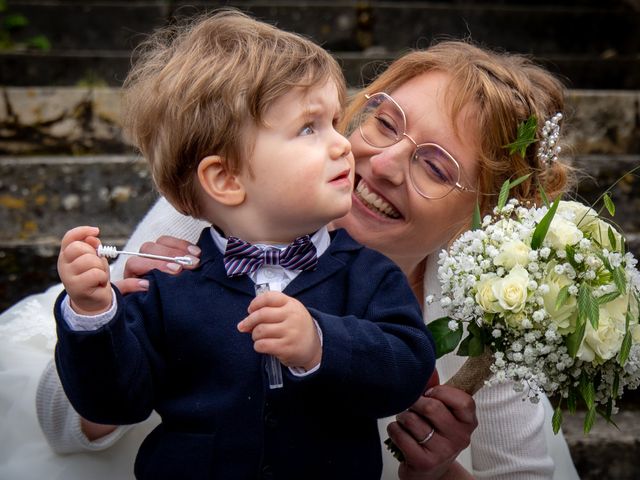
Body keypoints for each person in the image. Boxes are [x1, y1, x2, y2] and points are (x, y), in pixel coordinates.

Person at [0, 39, 581, 480]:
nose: (379, 163)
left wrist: (437, 472)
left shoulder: (490, 301)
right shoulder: (229, 202)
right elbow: (63, 423)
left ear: (484, 217)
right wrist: (112, 307)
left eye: (435, 166)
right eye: (383, 122)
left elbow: (521, 473)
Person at [51, 10, 436, 480]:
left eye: (336, 122)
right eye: (309, 128)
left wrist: (321, 343)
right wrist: (92, 315)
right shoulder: (170, 280)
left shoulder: (370, 276)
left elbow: (407, 370)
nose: (343, 146)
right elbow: (114, 401)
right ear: (225, 179)